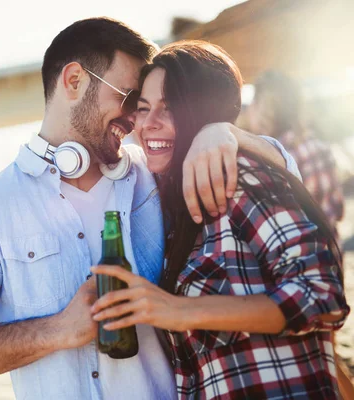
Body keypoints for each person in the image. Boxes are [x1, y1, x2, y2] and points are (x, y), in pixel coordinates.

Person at [0, 19, 299, 399]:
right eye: (128, 98)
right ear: (73, 81)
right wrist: (58, 330)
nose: (135, 117)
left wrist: (226, 133)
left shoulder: (155, 175)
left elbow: (287, 173)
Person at [91, 41, 350, 399]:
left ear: (202, 111)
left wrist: (180, 311)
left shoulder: (239, 177)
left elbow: (321, 294)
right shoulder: (171, 201)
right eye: (143, 109)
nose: (149, 124)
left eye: (170, 108)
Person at [247, 68, 353, 400]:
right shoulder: (299, 150)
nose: (261, 115)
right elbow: (336, 210)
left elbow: (320, 216)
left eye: (269, 106)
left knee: (323, 355)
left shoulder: (284, 155)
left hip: (307, 266)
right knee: (326, 354)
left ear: (284, 107)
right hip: (321, 262)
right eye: (258, 105)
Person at [247, 70, 345, 238]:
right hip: (331, 258)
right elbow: (339, 210)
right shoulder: (321, 148)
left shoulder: (269, 163)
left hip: (300, 259)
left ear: (261, 109)